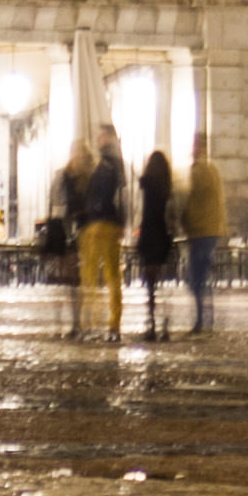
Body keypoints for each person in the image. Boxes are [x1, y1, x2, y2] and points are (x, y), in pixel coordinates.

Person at [62, 127, 131, 339]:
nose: (99, 139)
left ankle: (101, 324)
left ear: (110, 137)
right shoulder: (105, 163)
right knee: (98, 276)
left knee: (99, 276)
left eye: (102, 135)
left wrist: (121, 221)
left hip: (103, 224)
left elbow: (122, 195)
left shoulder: (111, 163)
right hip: (97, 225)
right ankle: (99, 323)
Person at [174, 135, 230, 333]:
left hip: (200, 231)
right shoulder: (213, 170)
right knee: (200, 276)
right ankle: (206, 319)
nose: (193, 149)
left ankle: (201, 320)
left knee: (195, 278)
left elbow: (188, 199)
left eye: (195, 146)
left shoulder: (198, 171)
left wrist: (182, 220)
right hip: (210, 230)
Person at [131, 149, 181, 342]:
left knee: (150, 285)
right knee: (164, 281)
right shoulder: (167, 188)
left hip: (148, 235)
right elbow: (172, 214)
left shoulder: (145, 185)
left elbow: (139, 210)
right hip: (162, 235)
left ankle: (151, 322)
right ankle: (165, 325)